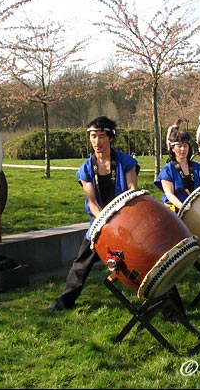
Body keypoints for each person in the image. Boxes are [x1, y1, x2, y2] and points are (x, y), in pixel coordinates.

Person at [47, 116, 140, 312]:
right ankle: (64, 302)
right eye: (93, 136)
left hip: (126, 219)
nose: (97, 141)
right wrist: (105, 223)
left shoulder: (125, 162)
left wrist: (120, 221)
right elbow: (92, 202)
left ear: (111, 138)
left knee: (145, 256)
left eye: (101, 136)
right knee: (81, 263)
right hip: (100, 222)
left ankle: (167, 303)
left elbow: (133, 191)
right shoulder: (86, 168)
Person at [155, 130, 200, 212]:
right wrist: (185, 208)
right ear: (172, 149)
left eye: (185, 146)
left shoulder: (198, 168)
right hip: (174, 215)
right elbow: (170, 195)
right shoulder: (167, 171)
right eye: (179, 146)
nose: (183, 149)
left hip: (197, 212)